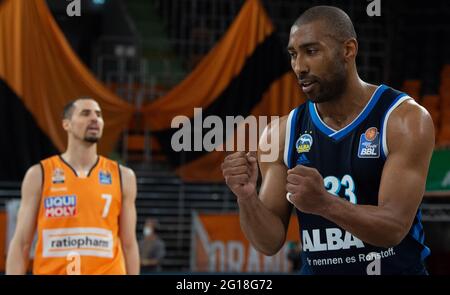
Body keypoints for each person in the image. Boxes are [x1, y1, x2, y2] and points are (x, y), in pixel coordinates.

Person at [221, 6, 434, 275]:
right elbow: (269, 242)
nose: (299, 67)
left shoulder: (403, 119)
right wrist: (247, 197)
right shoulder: (281, 133)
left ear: (348, 50)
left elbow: (393, 228)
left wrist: (325, 203)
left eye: (311, 51)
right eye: (293, 55)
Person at [6, 98, 140, 275]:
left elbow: (129, 244)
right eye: (85, 113)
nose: (94, 118)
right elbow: (22, 242)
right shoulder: (39, 174)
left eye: (98, 115)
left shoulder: (123, 176)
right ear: (66, 124)